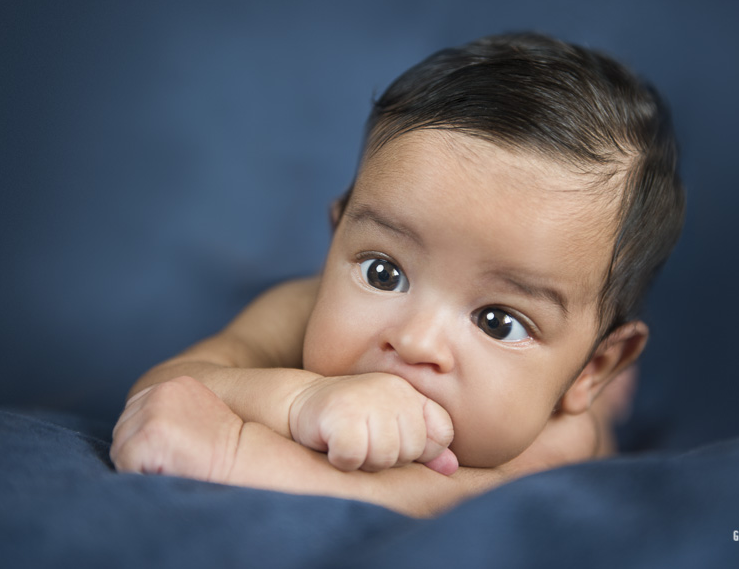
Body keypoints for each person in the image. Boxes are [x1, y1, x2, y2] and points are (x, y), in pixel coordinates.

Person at [110, 32, 685, 516]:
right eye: (384, 273)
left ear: (594, 366)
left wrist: (235, 452)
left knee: (604, 413)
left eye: (498, 321)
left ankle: (614, 395)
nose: (414, 341)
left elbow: (444, 497)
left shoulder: (560, 436)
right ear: (337, 239)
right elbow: (165, 391)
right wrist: (301, 399)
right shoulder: (298, 310)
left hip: (594, 411)